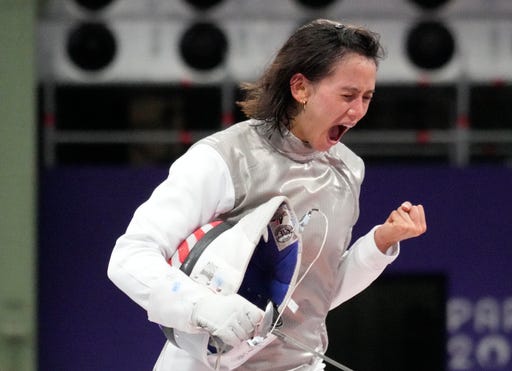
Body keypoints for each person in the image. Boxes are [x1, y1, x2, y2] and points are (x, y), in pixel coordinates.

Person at [107, 18, 427, 371]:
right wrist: (202, 306)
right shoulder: (226, 158)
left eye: (367, 97)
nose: (358, 111)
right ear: (300, 88)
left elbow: (312, 297)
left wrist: (379, 245)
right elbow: (129, 257)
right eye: (348, 95)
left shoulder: (348, 170)